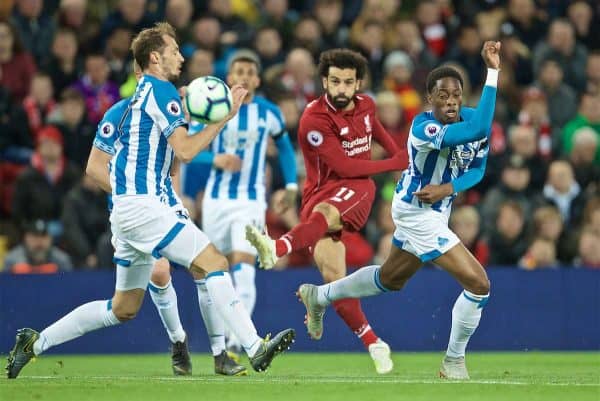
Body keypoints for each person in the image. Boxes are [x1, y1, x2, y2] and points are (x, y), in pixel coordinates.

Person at [6, 22, 294, 380]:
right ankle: (253, 347)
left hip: (128, 212)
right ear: (155, 57)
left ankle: (34, 343)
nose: (181, 57)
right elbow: (186, 151)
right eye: (174, 51)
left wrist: (127, 191)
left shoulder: (128, 106)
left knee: (122, 308)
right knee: (213, 261)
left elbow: (95, 168)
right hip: (144, 206)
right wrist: (225, 118)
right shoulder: (163, 91)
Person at [295, 41, 501, 380]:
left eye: (456, 96)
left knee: (389, 279)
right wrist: (493, 70)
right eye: (442, 96)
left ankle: (319, 295)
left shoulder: (474, 121)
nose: (450, 102)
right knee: (479, 284)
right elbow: (478, 129)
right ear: (429, 99)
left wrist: (448, 189)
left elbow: (477, 170)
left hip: (437, 208)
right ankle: (453, 362)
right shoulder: (424, 128)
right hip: (415, 210)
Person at [246, 48, 406, 374]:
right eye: (335, 81)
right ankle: (370, 339)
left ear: (358, 83)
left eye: (349, 82)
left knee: (328, 215)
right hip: (321, 194)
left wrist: (398, 156)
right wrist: (396, 162)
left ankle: (276, 247)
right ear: (324, 81)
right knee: (337, 281)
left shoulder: (367, 105)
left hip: (358, 188)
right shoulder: (313, 119)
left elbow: (375, 129)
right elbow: (344, 165)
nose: (342, 89)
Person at [197, 49, 298, 356]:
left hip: (251, 200)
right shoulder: (213, 109)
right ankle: (220, 345)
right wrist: (216, 158)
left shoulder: (269, 112)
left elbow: (284, 148)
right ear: (229, 78)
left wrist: (291, 184)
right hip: (215, 201)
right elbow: (187, 149)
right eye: (237, 72)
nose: (242, 77)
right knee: (211, 274)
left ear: (256, 79)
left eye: (248, 73)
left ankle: (234, 343)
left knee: (244, 268)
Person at [3, 219, 72, 274]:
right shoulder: (12, 260)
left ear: (51, 239)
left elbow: (68, 285)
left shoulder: (62, 260)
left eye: (43, 236)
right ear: (25, 238)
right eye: (35, 236)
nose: (39, 241)